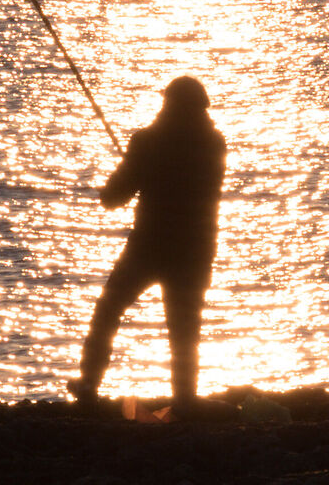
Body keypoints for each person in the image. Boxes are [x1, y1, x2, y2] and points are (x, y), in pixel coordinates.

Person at [69, 74, 226, 409]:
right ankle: (185, 400)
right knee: (184, 330)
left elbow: (113, 198)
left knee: (108, 311)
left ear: (168, 104)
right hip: (195, 250)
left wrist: (130, 169)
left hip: (148, 246)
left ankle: (88, 386)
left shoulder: (147, 142)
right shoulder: (214, 144)